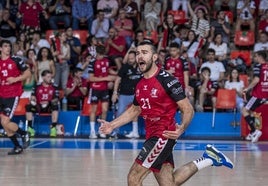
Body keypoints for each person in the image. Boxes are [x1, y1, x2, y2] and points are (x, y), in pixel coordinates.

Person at [99, 41, 233, 185]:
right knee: (169, 183)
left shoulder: (167, 80)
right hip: (151, 134)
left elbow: (187, 109)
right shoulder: (140, 83)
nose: (139, 56)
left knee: (133, 178)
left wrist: (182, 128)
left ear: (155, 57)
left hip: (162, 135)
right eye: (138, 53)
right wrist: (112, 125)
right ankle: (208, 159)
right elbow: (135, 109)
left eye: (144, 53)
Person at [0, 39, 31, 155]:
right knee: (4, 123)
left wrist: (15, 79)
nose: (8, 48)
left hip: (12, 94)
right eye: (5, 46)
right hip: (1, 94)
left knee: (6, 121)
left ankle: (23, 133)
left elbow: (28, 74)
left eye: (9, 46)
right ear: (1, 49)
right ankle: (17, 146)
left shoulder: (16, 60)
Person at [112, 50, 141, 138]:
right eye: (129, 58)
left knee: (135, 112)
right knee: (120, 113)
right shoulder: (125, 67)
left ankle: (135, 132)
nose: (130, 60)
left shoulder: (141, 67)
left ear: (136, 58)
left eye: (132, 58)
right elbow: (117, 80)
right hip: (124, 94)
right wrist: (115, 93)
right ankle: (114, 132)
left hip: (136, 95)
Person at [88, 45, 116, 139]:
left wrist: (115, 77)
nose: (99, 57)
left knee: (104, 110)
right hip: (95, 88)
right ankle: (92, 132)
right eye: (98, 55)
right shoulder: (92, 62)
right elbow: (91, 78)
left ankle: (102, 130)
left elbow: (109, 71)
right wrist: (106, 78)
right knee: (94, 110)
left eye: (101, 55)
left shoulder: (107, 60)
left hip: (104, 89)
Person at [242, 50, 268, 143]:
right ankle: (252, 133)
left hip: (258, 94)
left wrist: (247, 88)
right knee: (251, 112)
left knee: (244, 110)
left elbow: (256, 80)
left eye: (256, 56)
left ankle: (255, 131)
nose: (254, 58)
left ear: (260, 57)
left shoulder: (258, 66)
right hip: (265, 94)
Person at [25, 70, 60, 137]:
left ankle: (53, 128)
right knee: (28, 106)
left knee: (55, 105)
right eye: (48, 77)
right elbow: (32, 96)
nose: (50, 78)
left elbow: (56, 99)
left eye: (51, 77)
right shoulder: (36, 86)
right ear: (43, 77)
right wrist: (33, 100)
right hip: (38, 106)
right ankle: (30, 129)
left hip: (49, 106)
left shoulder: (55, 86)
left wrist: (48, 102)